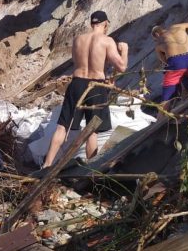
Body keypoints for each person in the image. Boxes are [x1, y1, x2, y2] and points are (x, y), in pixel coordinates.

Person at [43, 11, 129, 168]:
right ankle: (91, 169)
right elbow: (122, 67)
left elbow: (81, 62)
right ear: (105, 24)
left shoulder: (78, 40)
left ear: (91, 24)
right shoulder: (107, 40)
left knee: (62, 127)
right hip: (96, 86)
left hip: (77, 83)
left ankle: (47, 164)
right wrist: (125, 50)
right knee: (92, 131)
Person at [152, 21, 188, 108]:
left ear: (157, 35)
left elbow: (168, 63)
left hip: (177, 65)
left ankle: (162, 115)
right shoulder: (179, 26)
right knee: (184, 78)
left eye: (155, 39)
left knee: (165, 101)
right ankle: (186, 92)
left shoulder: (158, 44)